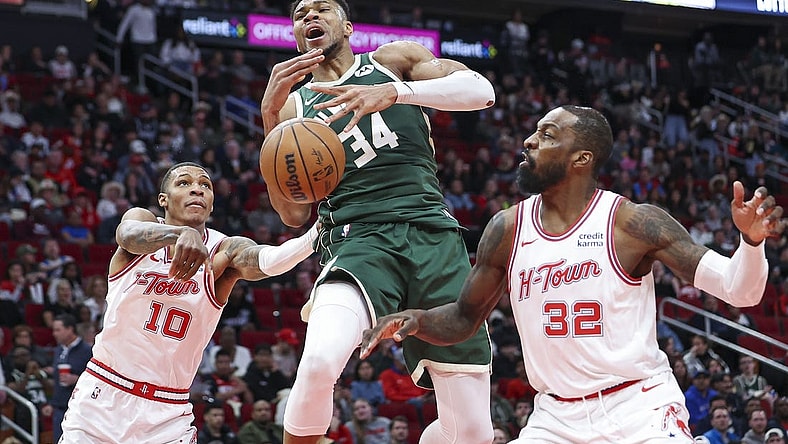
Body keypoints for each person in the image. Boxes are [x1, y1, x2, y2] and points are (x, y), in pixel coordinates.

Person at [361, 105, 787, 442]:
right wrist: (416, 320)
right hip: (555, 417)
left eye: (547, 135)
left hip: (639, 407)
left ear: (582, 157)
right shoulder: (507, 228)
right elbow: (462, 319)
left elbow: (740, 291)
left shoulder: (632, 223)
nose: (528, 141)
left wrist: (751, 243)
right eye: (535, 132)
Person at [259, 1, 495, 443]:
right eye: (300, 13)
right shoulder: (295, 109)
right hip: (356, 240)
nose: (310, 16)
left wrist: (397, 94)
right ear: (294, 34)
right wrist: (270, 119)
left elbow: (481, 91)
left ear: (347, 26)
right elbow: (292, 215)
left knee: (472, 433)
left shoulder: (393, 62)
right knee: (318, 362)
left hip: (433, 238)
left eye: (321, 8)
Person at [58, 162, 319, 443]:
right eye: (184, 183)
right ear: (163, 200)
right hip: (102, 397)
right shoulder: (142, 221)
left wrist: (314, 235)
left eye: (205, 185)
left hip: (166, 413)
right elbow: (127, 235)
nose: (197, 188)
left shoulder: (224, 250)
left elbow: (268, 261)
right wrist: (181, 234)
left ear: (211, 204)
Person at [49, 313, 93, 442]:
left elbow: (95, 380)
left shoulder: (87, 351)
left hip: (80, 411)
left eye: (58, 330)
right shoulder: (58, 350)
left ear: (70, 329)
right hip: (59, 409)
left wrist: (76, 379)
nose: (54, 334)